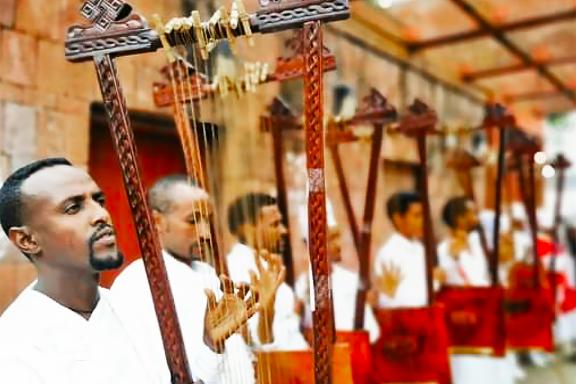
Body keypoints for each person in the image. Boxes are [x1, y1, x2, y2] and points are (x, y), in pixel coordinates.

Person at [0, 158, 156, 384]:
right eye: (73, 208)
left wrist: (211, 348)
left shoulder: (133, 311)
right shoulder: (13, 344)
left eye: (99, 201)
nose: (101, 215)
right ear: (27, 240)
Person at [111, 175, 274, 383]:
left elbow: (242, 352)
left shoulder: (206, 272)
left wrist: (267, 310)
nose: (205, 233)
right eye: (193, 221)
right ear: (158, 221)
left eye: (207, 220)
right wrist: (212, 347)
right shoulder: (136, 283)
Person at [438, 196, 513, 384]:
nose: (476, 217)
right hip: (463, 314)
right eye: (472, 212)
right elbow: (446, 279)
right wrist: (454, 256)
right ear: (458, 218)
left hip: (485, 309)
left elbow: (487, 273)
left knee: (488, 364)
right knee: (467, 366)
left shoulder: (477, 243)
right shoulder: (445, 247)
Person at [226, 192, 308, 350]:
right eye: (275, 224)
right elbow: (260, 341)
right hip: (279, 369)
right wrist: (267, 312)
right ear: (248, 229)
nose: (284, 231)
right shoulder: (239, 270)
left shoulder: (263, 265)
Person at [295, 200, 380, 342]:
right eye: (331, 239)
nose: (338, 244)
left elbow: (372, 332)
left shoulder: (352, 280)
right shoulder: (302, 287)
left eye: (338, 237)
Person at [373, 191, 442, 307]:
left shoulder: (419, 247)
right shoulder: (390, 253)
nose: (423, 221)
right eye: (417, 215)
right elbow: (404, 300)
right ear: (398, 219)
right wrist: (435, 282)